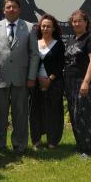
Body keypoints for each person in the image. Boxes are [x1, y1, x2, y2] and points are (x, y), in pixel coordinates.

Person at [0, 0, 40, 154]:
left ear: (19, 9)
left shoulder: (29, 28)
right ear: (3, 9)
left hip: (21, 78)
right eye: (8, 7)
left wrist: (31, 77)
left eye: (14, 7)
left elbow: (34, 55)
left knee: (20, 115)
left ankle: (20, 145)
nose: (11, 9)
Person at [63, 9, 91, 158]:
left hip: (84, 81)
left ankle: (87, 147)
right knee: (75, 115)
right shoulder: (72, 39)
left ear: (86, 22)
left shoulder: (90, 38)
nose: (77, 23)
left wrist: (85, 82)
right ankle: (80, 145)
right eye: (74, 21)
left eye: (80, 20)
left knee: (85, 114)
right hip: (70, 82)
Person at [30, 14, 65, 149]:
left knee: (54, 111)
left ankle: (53, 141)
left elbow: (61, 64)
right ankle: (36, 140)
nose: (45, 28)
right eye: (43, 26)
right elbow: (31, 62)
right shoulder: (35, 43)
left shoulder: (59, 44)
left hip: (54, 83)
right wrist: (38, 78)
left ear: (54, 28)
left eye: (48, 26)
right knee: (35, 111)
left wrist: (49, 79)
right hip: (36, 82)